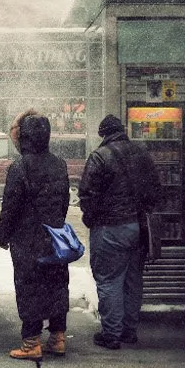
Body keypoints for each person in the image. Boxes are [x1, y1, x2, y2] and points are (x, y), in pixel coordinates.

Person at [77, 114, 160, 349]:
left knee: (109, 280)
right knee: (133, 280)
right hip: (139, 227)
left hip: (110, 227)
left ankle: (111, 334)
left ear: (103, 134)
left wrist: (91, 217)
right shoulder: (142, 154)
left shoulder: (100, 156)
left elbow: (87, 194)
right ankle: (129, 331)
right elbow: (156, 190)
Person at [0, 111, 73, 360]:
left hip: (27, 239)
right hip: (55, 237)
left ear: (25, 138)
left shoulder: (20, 166)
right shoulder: (59, 163)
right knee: (57, 286)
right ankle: (58, 339)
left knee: (29, 288)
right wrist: (55, 223)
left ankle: (31, 344)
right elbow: (64, 201)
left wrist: (2, 235)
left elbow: (11, 205)